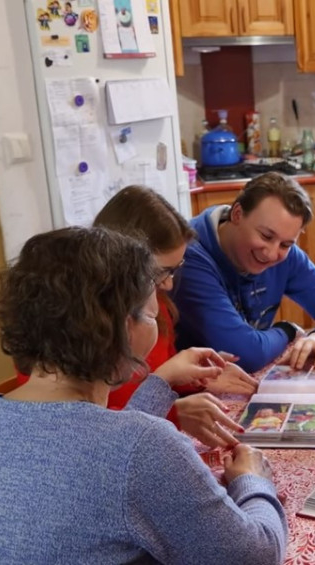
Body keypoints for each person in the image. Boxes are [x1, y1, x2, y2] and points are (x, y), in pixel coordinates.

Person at [0, 227, 287, 564]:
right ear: (123, 326)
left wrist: (160, 384)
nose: (157, 325)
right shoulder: (143, 449)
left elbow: (108, 447)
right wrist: (252, 480)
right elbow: (254, 557)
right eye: (152, 315)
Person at [93, 185, 258, 447]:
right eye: (160, 272)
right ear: (121, 261)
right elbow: (96, 434)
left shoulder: (157, 306)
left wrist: (197, 378)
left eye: (176, 269)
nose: (169, 284)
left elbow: (155, 376)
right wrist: (173, 410)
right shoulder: (83, 327)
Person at [174, 172, 315, 373]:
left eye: (286, 244)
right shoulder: (189, 256)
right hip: (190, 388)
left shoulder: (286, 255)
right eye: (266, 236)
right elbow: (245, 354)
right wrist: (288, 330)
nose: (271, 254)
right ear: (237, 214)